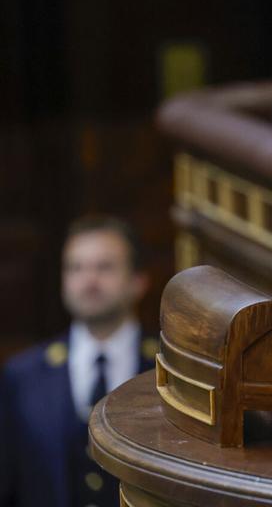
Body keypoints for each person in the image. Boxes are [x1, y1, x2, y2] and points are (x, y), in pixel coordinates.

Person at [0, 216, 155, 507]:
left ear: (138, 281)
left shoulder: (167, 371)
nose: (89, 280)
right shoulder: (22, 375)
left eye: (104, 267)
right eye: (76, 268)